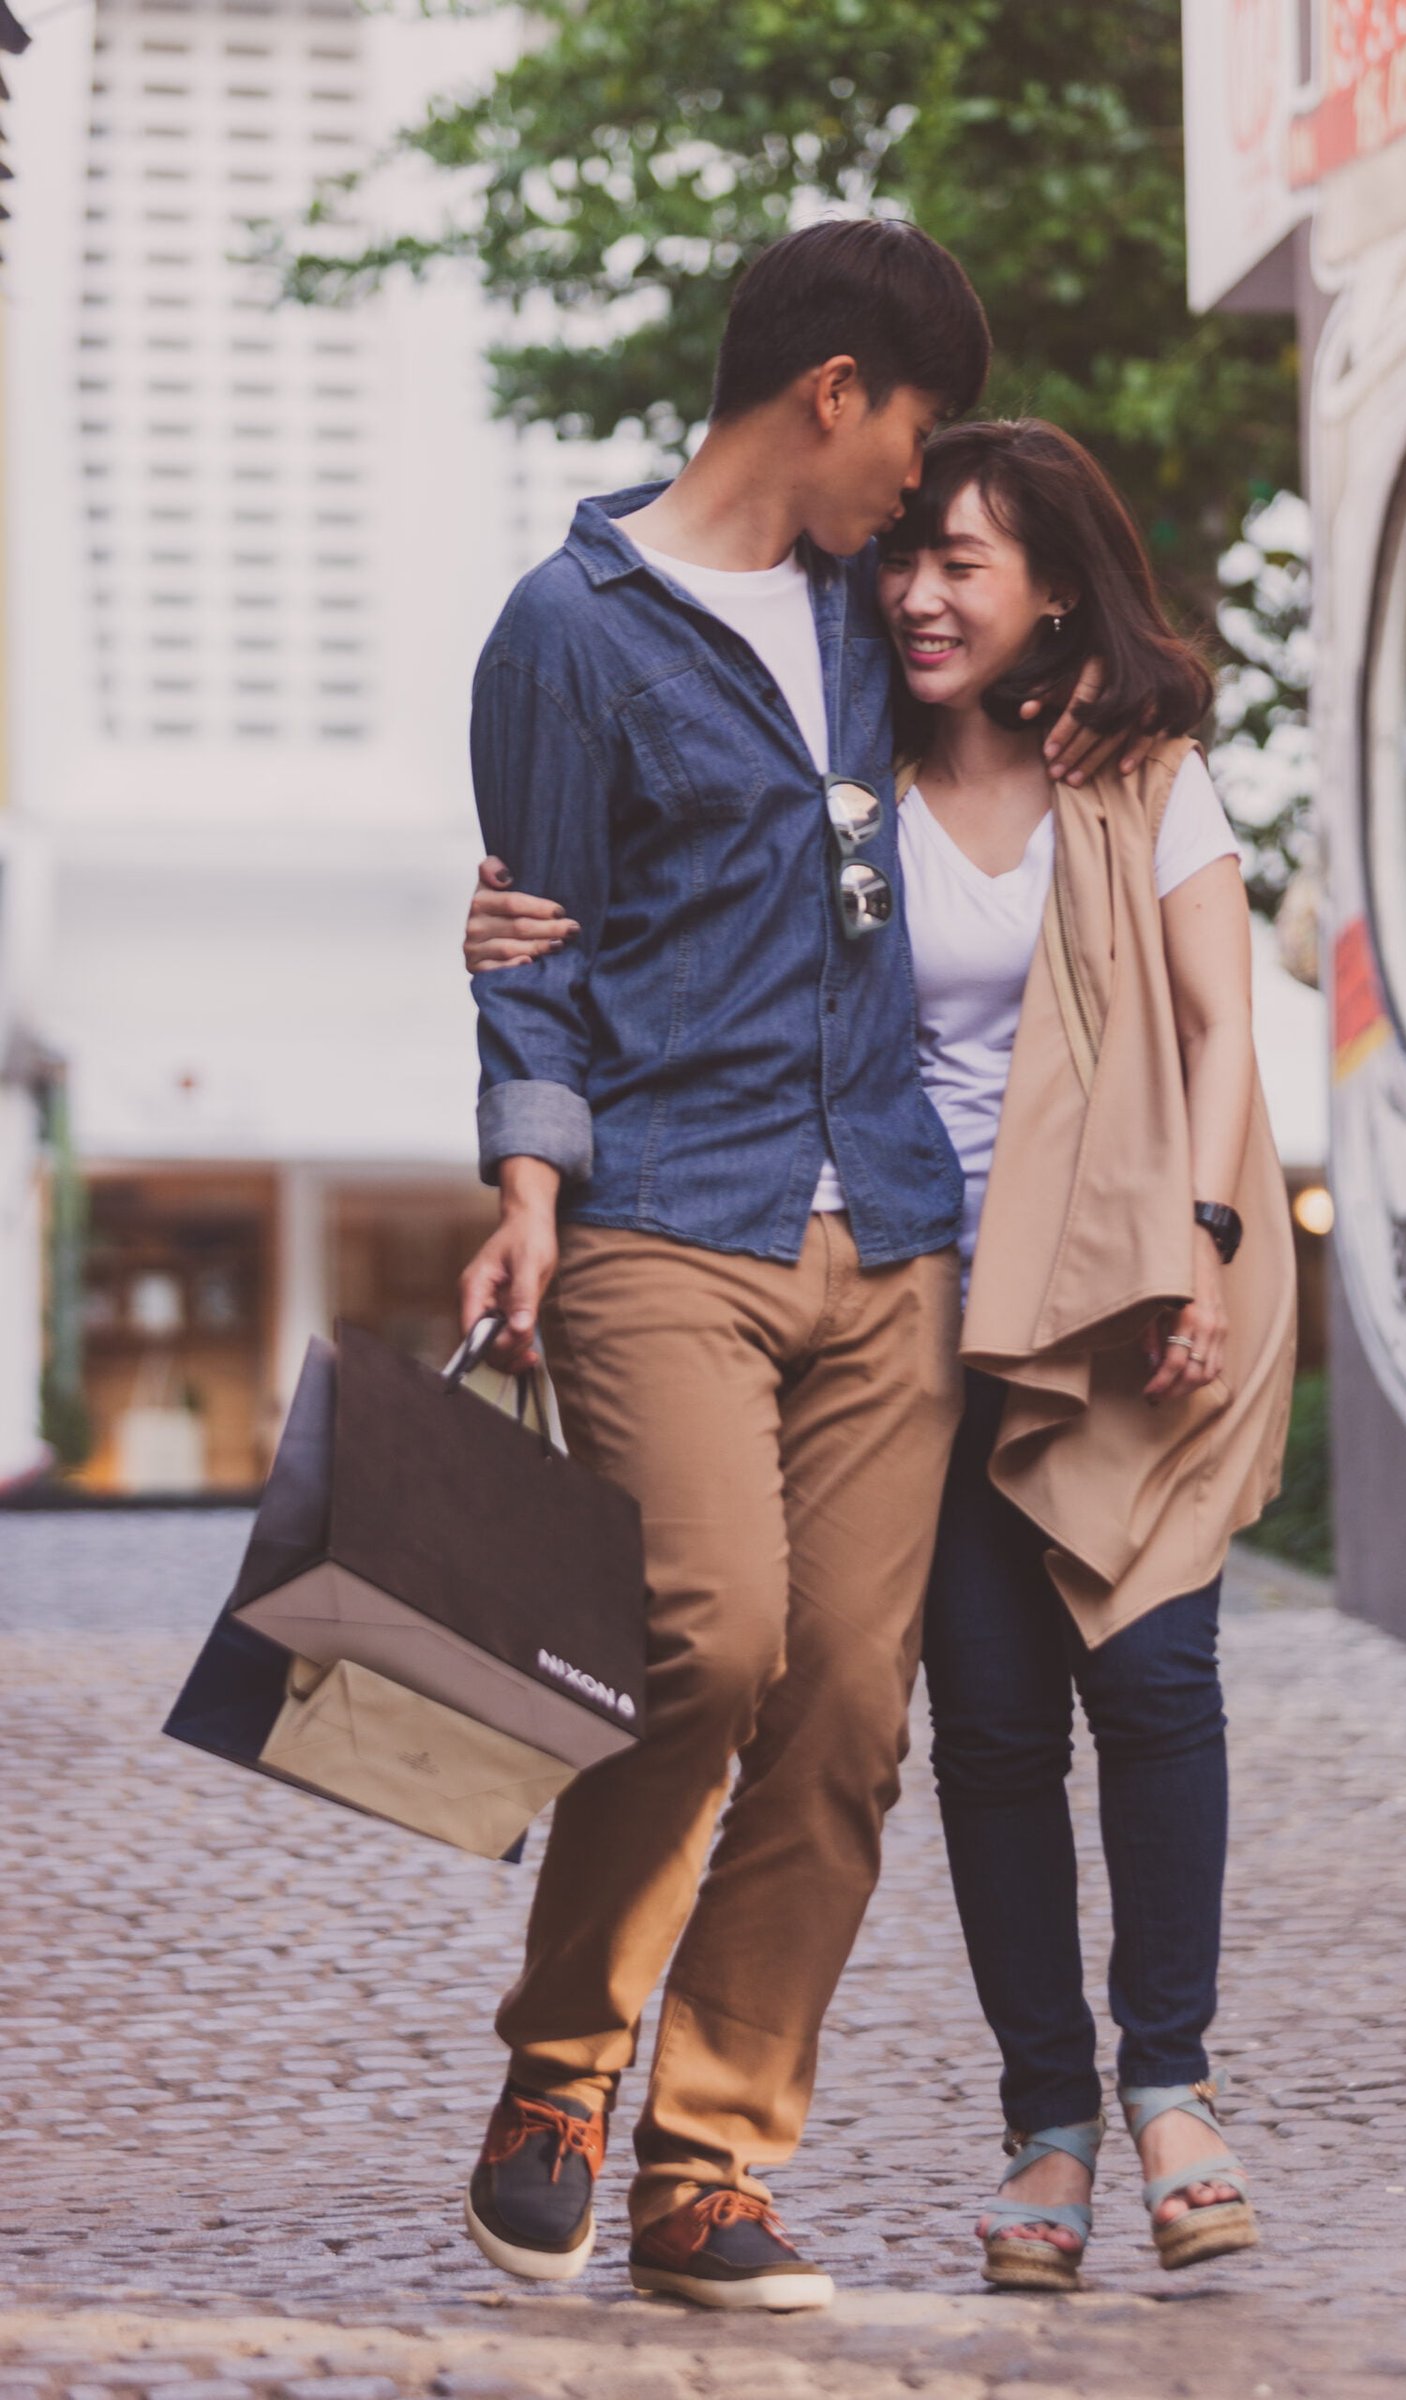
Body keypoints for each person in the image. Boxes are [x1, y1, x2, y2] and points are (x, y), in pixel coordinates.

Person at [465, 416, 1297, 2292]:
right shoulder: (845, 735)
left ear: (1055, 588)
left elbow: (1222, 1031)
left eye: (967, 563)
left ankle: (1119, 2093)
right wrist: (520, 937)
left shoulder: (1131, 771)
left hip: (1091, 1302)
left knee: (1056, 1703)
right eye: (907, 554)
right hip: (891, 1270)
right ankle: (1015, 2127)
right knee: (867, 1699)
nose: (917, 589)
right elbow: (639, 883)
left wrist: (1203, 1243)